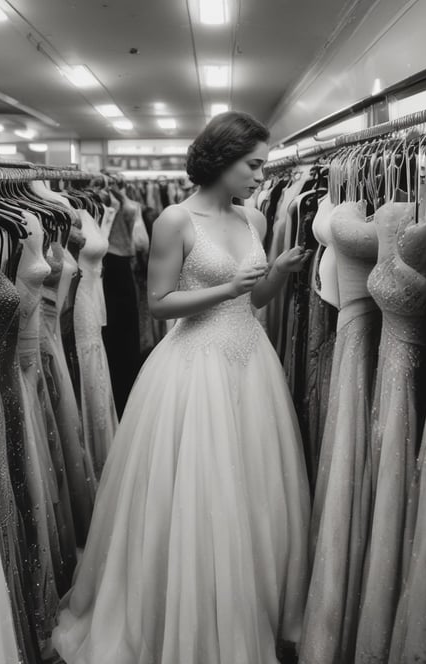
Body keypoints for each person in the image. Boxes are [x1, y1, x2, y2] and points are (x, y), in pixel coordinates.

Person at [52, 111, 312, 664]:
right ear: (221, 159)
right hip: (195, 367)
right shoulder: (175, 218)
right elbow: (159, 304)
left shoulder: (256, 221)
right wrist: (229, 289)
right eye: (254, 164)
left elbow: (256, 300)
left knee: (253, 492)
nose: (261, 176)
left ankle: (250, 605)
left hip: (251, 364)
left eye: (263, 165)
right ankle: (187, 617)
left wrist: (278, 273)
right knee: (198, 492)